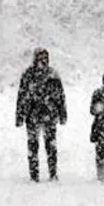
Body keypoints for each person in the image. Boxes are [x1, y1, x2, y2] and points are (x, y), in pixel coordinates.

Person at [15, 48, 67, 182]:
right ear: (35, 59)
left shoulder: (53, 75)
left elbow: (60, 96)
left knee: (51, 146)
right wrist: (20, 115)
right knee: (33, 145)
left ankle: (53, 173)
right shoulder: (28, 75)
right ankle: (34, 175)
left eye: (45, 58)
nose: (43, 61)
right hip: (32, 115)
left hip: (49, 114)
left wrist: (62, 113)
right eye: (40, 58)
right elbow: (21, 96)